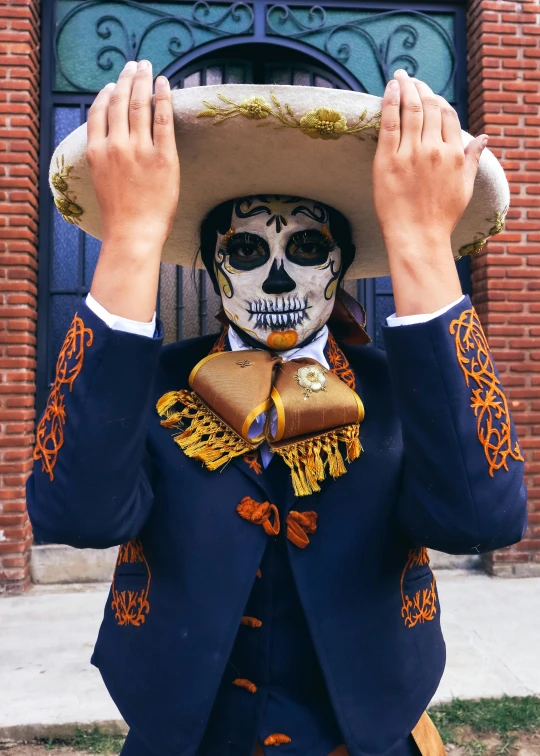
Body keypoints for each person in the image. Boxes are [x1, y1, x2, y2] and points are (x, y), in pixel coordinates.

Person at [27, 59, 528, 756]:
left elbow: (484, 518)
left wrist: (421, 243)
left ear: (339, 268)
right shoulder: (152, 381)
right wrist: (133, 237)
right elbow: (72, 514)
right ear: (213, 267)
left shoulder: (397, 392)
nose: (278, 276)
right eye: (246, 250)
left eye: (308, 248)